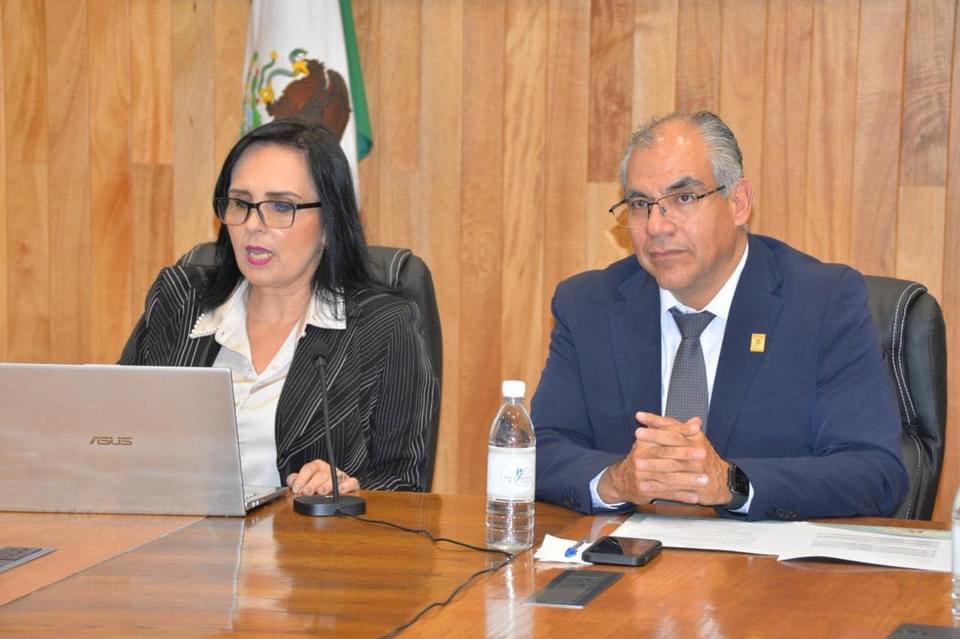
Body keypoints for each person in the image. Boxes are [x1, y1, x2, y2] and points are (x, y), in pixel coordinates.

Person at [532, 111, 907, 521]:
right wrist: (614, 481)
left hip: (768, 560)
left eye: (684, 198)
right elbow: (538, 451)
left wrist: (732, 483)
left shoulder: (822, 303)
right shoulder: (587, 306)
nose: (656, 226)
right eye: (640, 204)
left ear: (738, 202)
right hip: (628, 556)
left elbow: (875, 473)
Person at [120, 119, 438, 495]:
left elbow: (404, 481)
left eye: (281, 206)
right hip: (175, 528)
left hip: (307, 534)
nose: (253, 225)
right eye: (241, 203)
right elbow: (114, 433)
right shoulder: (179, 300)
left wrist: (349, 488)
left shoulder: (382, 327)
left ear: (329, 225)